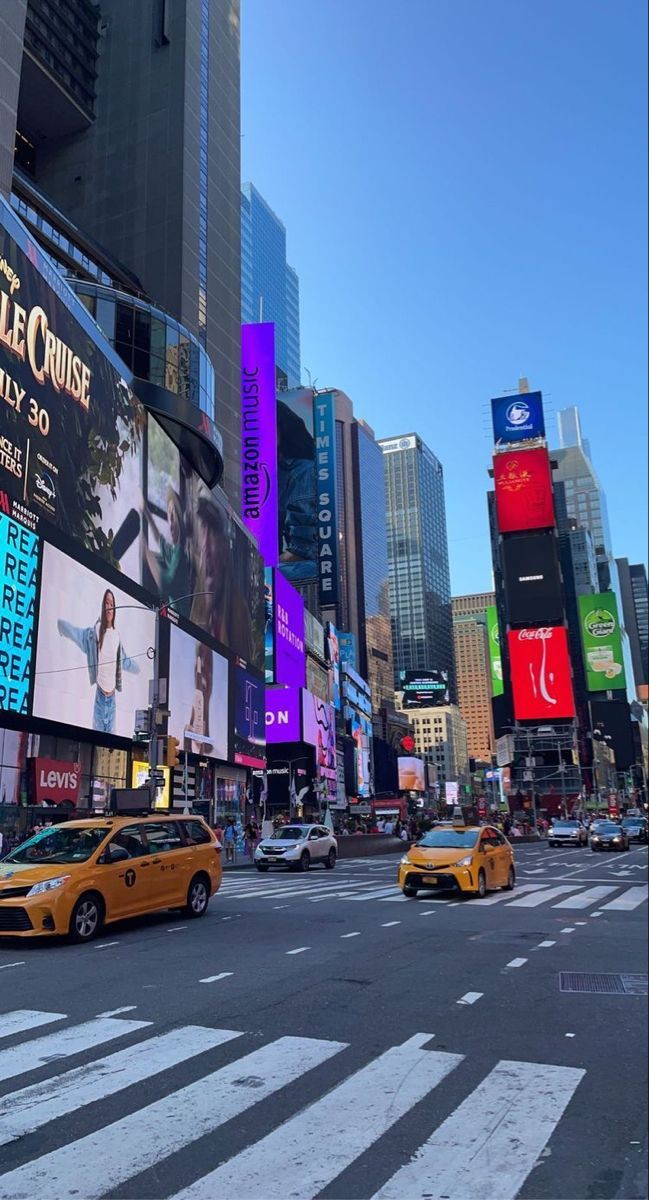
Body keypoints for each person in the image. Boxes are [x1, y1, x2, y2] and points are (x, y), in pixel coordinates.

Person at [57, 589, 140, 734]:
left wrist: (140, 669)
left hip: (112, 700)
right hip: (100, 699)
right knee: (97, 742)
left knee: (112, 746)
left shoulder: (116, 636)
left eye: (112, 604)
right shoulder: (92, 634)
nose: (109, 607)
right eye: (106, 603)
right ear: (103, 606)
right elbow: (75, 633)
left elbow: (125, 661)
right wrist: (61, 626)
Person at [190, 494, 253, 658]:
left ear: (225, 548)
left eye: (213, 534)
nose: (206, 546)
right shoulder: (197, 596)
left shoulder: (238, 609)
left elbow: (244, 675)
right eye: (203, 531)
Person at [142, 487, 191, 611]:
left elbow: (164, 583)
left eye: (173, 514)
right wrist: (146, 512)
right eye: (169, 515)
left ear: (180, 521)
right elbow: (160, 540)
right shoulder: (174, 550)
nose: (170, 521)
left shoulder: (179, 556)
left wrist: (146, 552)